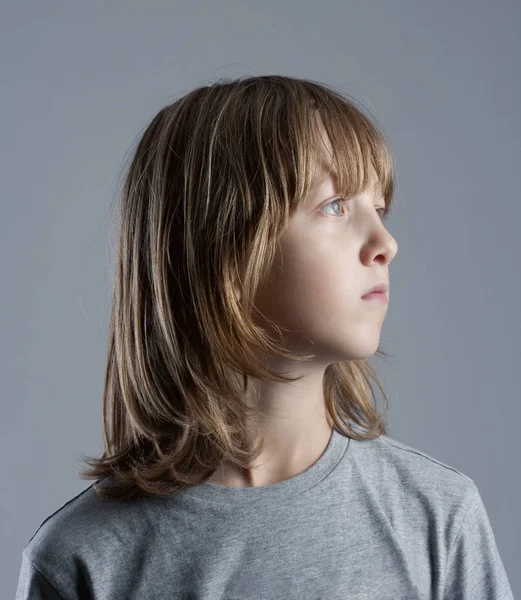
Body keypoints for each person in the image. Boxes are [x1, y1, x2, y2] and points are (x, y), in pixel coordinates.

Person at [15, 75, 513, 599]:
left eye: (380, 209)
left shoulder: (436, 516)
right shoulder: (84, 558)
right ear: (223, 248)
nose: (385, 242)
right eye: (336, 205)